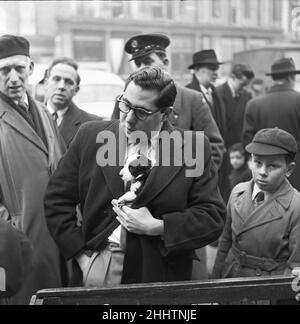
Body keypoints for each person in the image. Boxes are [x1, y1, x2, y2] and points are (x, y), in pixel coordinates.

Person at [44, 66, 226, 287]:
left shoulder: (191, 147)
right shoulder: (91, 136)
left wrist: (159, 227)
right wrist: (82, 256)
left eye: (141, 112)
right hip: (98, 266)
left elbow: (211, 216)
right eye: (125, 105)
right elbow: (57, 200)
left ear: (166, 114)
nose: (128, 119)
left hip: (162, 275)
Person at [0, 34, 66, 304]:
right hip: (19, 247)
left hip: (58, 236)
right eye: (4, 70)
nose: (13, 77)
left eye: (19, 68)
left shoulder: (44, 112)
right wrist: (11, 229)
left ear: (31, 68)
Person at [111, 33, 225, 172]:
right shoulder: (124, 100)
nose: (141, 68)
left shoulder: (191, 100)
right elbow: (114, 142)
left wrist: (188, 183)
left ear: (165, 63)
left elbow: (213, 149)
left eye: (147, 62)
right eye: (137, 63)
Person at [213, 128, 300, 283]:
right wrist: (215, 281)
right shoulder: (237, 192)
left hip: (267, 288)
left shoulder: (295, 206)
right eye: (257, 162)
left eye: (273, 166)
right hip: (232, 279)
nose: (262, 172)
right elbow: (224, 243)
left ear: (289, 169)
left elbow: (295, 266)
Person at [243, 57, 300, 192]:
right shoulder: (298, 100)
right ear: (292, 77)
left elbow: (246, 139)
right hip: (296, 170)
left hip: (264, 173)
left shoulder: (254, 104)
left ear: (273, 78)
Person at [216, 63, 254, 202]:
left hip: (240, 149)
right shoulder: (217, 93)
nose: (243, 87)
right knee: (223, 186)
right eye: (241, 83)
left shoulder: (248, 95)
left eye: (246, 84)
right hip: (223, 148)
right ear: (232, 77)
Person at [44, 57, 100, 147]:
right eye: (56, 79)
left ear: (76, 90)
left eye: (69, 82)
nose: (61, 86)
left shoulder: (92, 125)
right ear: (46, 84)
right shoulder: (29, 117)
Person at [186, 49, 226, 139]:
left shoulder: (217, 94)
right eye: (211, 68)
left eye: (217, 68)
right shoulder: (187, 95)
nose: (216, 72)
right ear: (196, 70)